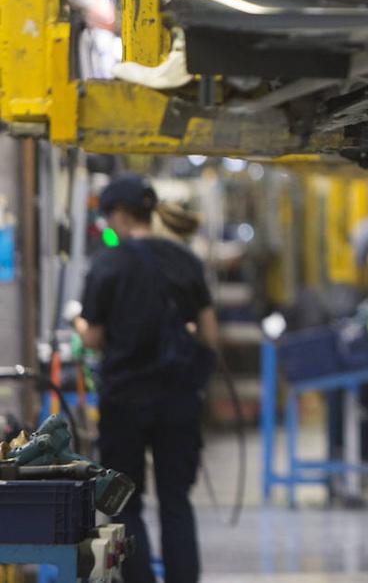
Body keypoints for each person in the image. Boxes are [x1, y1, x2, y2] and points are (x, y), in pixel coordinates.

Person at [75, 174, 218, 583]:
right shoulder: (184, 260)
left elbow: (94, 337)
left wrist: (78, 324)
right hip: (179, 400)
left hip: (125, 401)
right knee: (176, 503)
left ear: (119, 214)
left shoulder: (108, 263)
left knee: (126, 504)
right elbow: (209, 335)